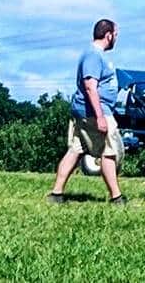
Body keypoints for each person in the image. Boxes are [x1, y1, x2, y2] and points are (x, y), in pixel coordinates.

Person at [48, 19, 126, 206]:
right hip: (94, 111)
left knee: (76, 149)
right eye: (115, 35)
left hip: (87, 110)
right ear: (108, 35)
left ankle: (56, 194)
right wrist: (100, 116)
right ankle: (116, 197)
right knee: (109, 151)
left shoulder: (96, 55)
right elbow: (90, 87)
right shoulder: (93, 56)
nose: (116, 39)